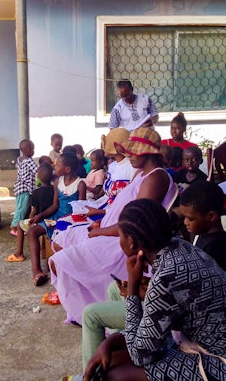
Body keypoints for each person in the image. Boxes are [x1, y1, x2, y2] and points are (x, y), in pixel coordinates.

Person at [54, 200, 226, 381]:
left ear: (131, 243)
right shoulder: (182, 249)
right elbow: (150, 335)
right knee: (114, 363)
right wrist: (109, 345)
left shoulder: (167, 277)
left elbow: (141, 354)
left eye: (120, 236)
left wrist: (132, 289)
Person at [48, 127, 177, 323]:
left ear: (146, 152)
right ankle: (84, 304)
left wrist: (100, 231)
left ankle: (92, 310)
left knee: (60, 260)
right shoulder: (140, 174)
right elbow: (121, 207)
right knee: (61, 238)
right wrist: (101, 219)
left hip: (122, 240)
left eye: (132, 151)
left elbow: (135, 222)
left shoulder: (156, 177)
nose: (128, 155)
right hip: (109, 230)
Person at [26, 154, 85, 285]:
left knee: (62, 237)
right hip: (56, 217)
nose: (54, 166)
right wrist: (39, 216)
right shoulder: (58, 181)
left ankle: (63, 270)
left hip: (72, 221)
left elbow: (80, 210)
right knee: (32, 232)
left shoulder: (80, 184)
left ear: (68, 169)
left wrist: (66, 220)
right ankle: (37, 272)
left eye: (58, 164)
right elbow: (55, 205)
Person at [179, 180, 226, 274]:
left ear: (211, 216)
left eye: (190, 219)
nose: (185, 222)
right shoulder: (203, 233)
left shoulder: (217, 246)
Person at [8, 162, 56, 265]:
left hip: (39, 221)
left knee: (20, 225)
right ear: (52, 176)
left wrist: (31, 219)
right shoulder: (55, 190)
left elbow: (34, 211)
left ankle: (19, 253)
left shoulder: (36, 192)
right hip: (52, 219)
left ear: (38, 176)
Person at [11, 139, 37, 237]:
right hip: (25, 189)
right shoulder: (29, 161)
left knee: (24, 208)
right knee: (21, 209)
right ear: (29, 149)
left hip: (19, 188)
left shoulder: (19, 159)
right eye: (33, 149)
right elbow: (37, 170)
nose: (34, 151)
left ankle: (22, 226)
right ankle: (14, 227)